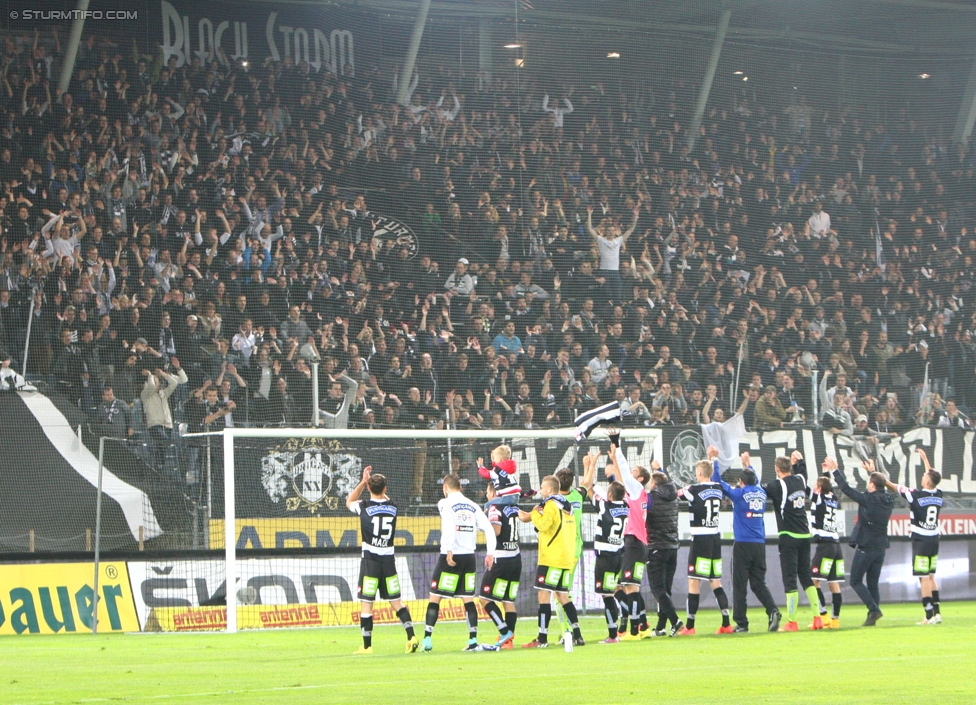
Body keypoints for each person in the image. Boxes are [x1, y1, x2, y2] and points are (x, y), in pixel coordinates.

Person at [346, 466, 419, 655]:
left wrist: (363, 481)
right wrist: (376, 486)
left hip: (370, 561)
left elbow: (349, 501)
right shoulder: (393, 507)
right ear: (385, 489)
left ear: (369, 488)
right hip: (389, 562)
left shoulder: (363, 506)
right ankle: (411, 636)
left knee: (366, 603)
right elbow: (385, 499)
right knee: (396, 601)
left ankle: (367, 646)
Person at [422, 474, 497, 652]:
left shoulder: (444, 503)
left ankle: (427, 639)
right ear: (461, 487)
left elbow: (449, 525)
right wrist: (490, 553)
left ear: (445, 488)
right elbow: (488, 528)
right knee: (468, 600)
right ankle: (472, 640)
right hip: (469, 556)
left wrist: (448, 548)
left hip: (451, 555)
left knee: (435, 597)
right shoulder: (472, 505)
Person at [712, 451, 782, 633]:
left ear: (741, 482)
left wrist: (714, 461)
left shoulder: (740, 494)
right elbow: (754, 481)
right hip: (760, 544)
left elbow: (718, 482)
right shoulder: (760, 493)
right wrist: (747, 465)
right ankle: (773, 610)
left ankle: (742, 623)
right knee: (759, 583)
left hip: (743, 543)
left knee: (739, 584)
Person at [826, 457, 894, 626]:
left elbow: (846, 489)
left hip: (866, 545)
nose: (867, 483)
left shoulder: (867, 499)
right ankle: (873, 617)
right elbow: (880, 486)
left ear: (872, 485)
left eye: (869, 481)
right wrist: (872, 472)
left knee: (855, 580)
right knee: (872, 583)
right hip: (881, 546)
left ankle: (874, 609)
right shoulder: (889, 500)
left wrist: (835, 471)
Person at [518, 475, 583, 648]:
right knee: (562, 596)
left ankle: (542, 637)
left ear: (548, 489)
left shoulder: (551, 505)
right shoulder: (567, 506)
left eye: (541, 487)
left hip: (551, 559)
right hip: (566, 558)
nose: (540, 490)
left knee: (543, 596)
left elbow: (543, 526)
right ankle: (578, 634)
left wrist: (533, 513)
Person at [763, 451, 821, 631]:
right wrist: (800, 461)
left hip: (789, 536)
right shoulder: (801, 481)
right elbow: (802, 472)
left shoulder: (777, 485)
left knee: (790, 579)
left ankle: (792, 621)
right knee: (806, 577)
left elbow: (758, 490)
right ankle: (818, 617)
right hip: (805, 535)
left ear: (777, 469)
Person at [885, 448, 944, 625]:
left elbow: (893, 487)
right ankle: (937, 613)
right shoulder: (938, 494)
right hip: (934, 539)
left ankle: (928, 616)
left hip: (921, 540)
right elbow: (933, 478)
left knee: (923, 577)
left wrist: (879, 477)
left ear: (927, 481)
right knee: (931, 576)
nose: (922, 477)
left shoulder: (915, 495)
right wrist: (926, 460)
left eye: (924, 475)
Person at [676, 449, 731, 635]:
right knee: (716, 581)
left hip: (700, 538)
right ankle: (726, 623)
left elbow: (677, 494)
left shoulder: (694, 489)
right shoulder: (717, 488)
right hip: (715, 538)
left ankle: (690, 626)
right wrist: (712, 460)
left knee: (694, 581)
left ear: (699, 474)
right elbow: (715, 477)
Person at [604, 436, 652, 641]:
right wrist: (614, 458)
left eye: (635, 472)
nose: (630, 474)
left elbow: (623, 473)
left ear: (640, 479)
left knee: (630, 587)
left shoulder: (637, 490)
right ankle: (642, 625)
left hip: (634, 542)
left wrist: (618, 449)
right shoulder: (636, 494)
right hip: (636, 543)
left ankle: (634, 630)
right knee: (628, 586)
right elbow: (621, 478)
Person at [579, 449, 627, 643]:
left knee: (606, 595)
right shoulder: (626, 505)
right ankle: (627, 612)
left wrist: (590, 464)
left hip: (605, 555)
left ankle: (613, 634)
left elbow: (587, 487)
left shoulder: (604, 505)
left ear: (609, 493)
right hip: (619, 555)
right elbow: (622, 486)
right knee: (615, 589)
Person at [478, 480, 522, 650]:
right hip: (515, 557)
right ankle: (508, 642)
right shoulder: (513, 507)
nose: (488, 496)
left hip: (501, 558)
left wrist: (482, 525)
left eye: (488, 492)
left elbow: (495, 530)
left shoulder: (494, 508)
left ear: (494, 493)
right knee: (507, 600)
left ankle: (504, 631)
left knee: (484, 598)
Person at [645, 465, 683, 637]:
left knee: (658, 589)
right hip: (672, 548)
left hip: (656, 547)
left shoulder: (651, 498)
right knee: (666, 590)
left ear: (654, 483)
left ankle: (675, 621)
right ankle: (660, 626)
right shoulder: (674, 497)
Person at [809, 468, 845, 629]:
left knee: (814, 581)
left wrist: (797, 468)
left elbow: (805, 490)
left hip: (825, 545)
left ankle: (823, 616)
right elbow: (828, 487)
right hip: (836, 545)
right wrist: (827, 474)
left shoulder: (818, 498)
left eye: (816, 485)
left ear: (819, 488)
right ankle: (835, 619)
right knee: (834, 583)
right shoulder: (834, 499)